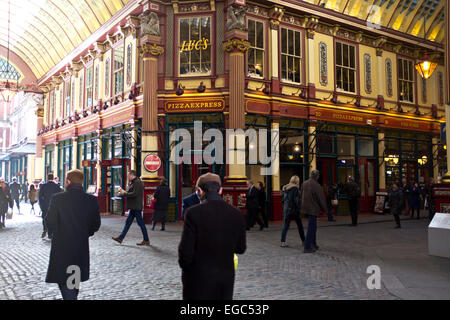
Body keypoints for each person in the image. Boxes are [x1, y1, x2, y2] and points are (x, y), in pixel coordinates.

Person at [178, 173, 246, 300]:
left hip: (197, 278)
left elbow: (185, 252)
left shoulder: (193, 213)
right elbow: (241, 248)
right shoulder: (236, 213)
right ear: (220, 190)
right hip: (224, 279)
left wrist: (188, 271)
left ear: (200, 191)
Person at [45, 169, 101, 300]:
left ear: (68, 181)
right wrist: (85, 233)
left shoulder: (58, 199)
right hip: (80, 246)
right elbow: (96, 224)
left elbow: (49, 220)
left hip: (61, 245)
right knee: (74, 276)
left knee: (63, 277)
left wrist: (55, 233)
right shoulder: (91, 200)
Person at [112, 170, 149, 245]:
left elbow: (134, 194)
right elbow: (132, 193)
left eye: (128, 175)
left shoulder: (137, 183)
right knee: (128, 223)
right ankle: (120, 238)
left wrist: (123, 194)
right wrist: (124, 192)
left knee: (141, 223)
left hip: (136, 207)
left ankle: (146, 240)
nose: (128, 177)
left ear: (132, 175)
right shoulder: (134, 182)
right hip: (133, 207)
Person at [301, 170, 327, 253]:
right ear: (317, 176)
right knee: (311, 228)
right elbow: (321, 199)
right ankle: (307, 246)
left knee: (313, 227)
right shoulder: (317, 185)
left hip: (305, 208)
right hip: (313, 209)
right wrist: (325, 209)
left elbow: (301, 194)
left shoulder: (304, 183)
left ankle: (313, 243)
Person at [280, 175, 305, 248]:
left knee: (286, 226)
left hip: (287, 210)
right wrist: (299, 208)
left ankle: (282, 242)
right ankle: (304, 241)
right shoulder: (295, 189)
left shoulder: (286, 188)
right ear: (297, 181)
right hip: (294, 210)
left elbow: (283, 200)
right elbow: (296, 201)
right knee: (300, 226)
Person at [38, 173, 63, 239]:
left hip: (45, 206)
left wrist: (41, 206)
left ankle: (45, 228)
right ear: (53, 178)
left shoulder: (43, 186)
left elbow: (40, 197)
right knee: (53, 219)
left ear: (47, 178)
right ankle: (50, 233)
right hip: (54, 206)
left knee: (45, 218)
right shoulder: (57, 186)